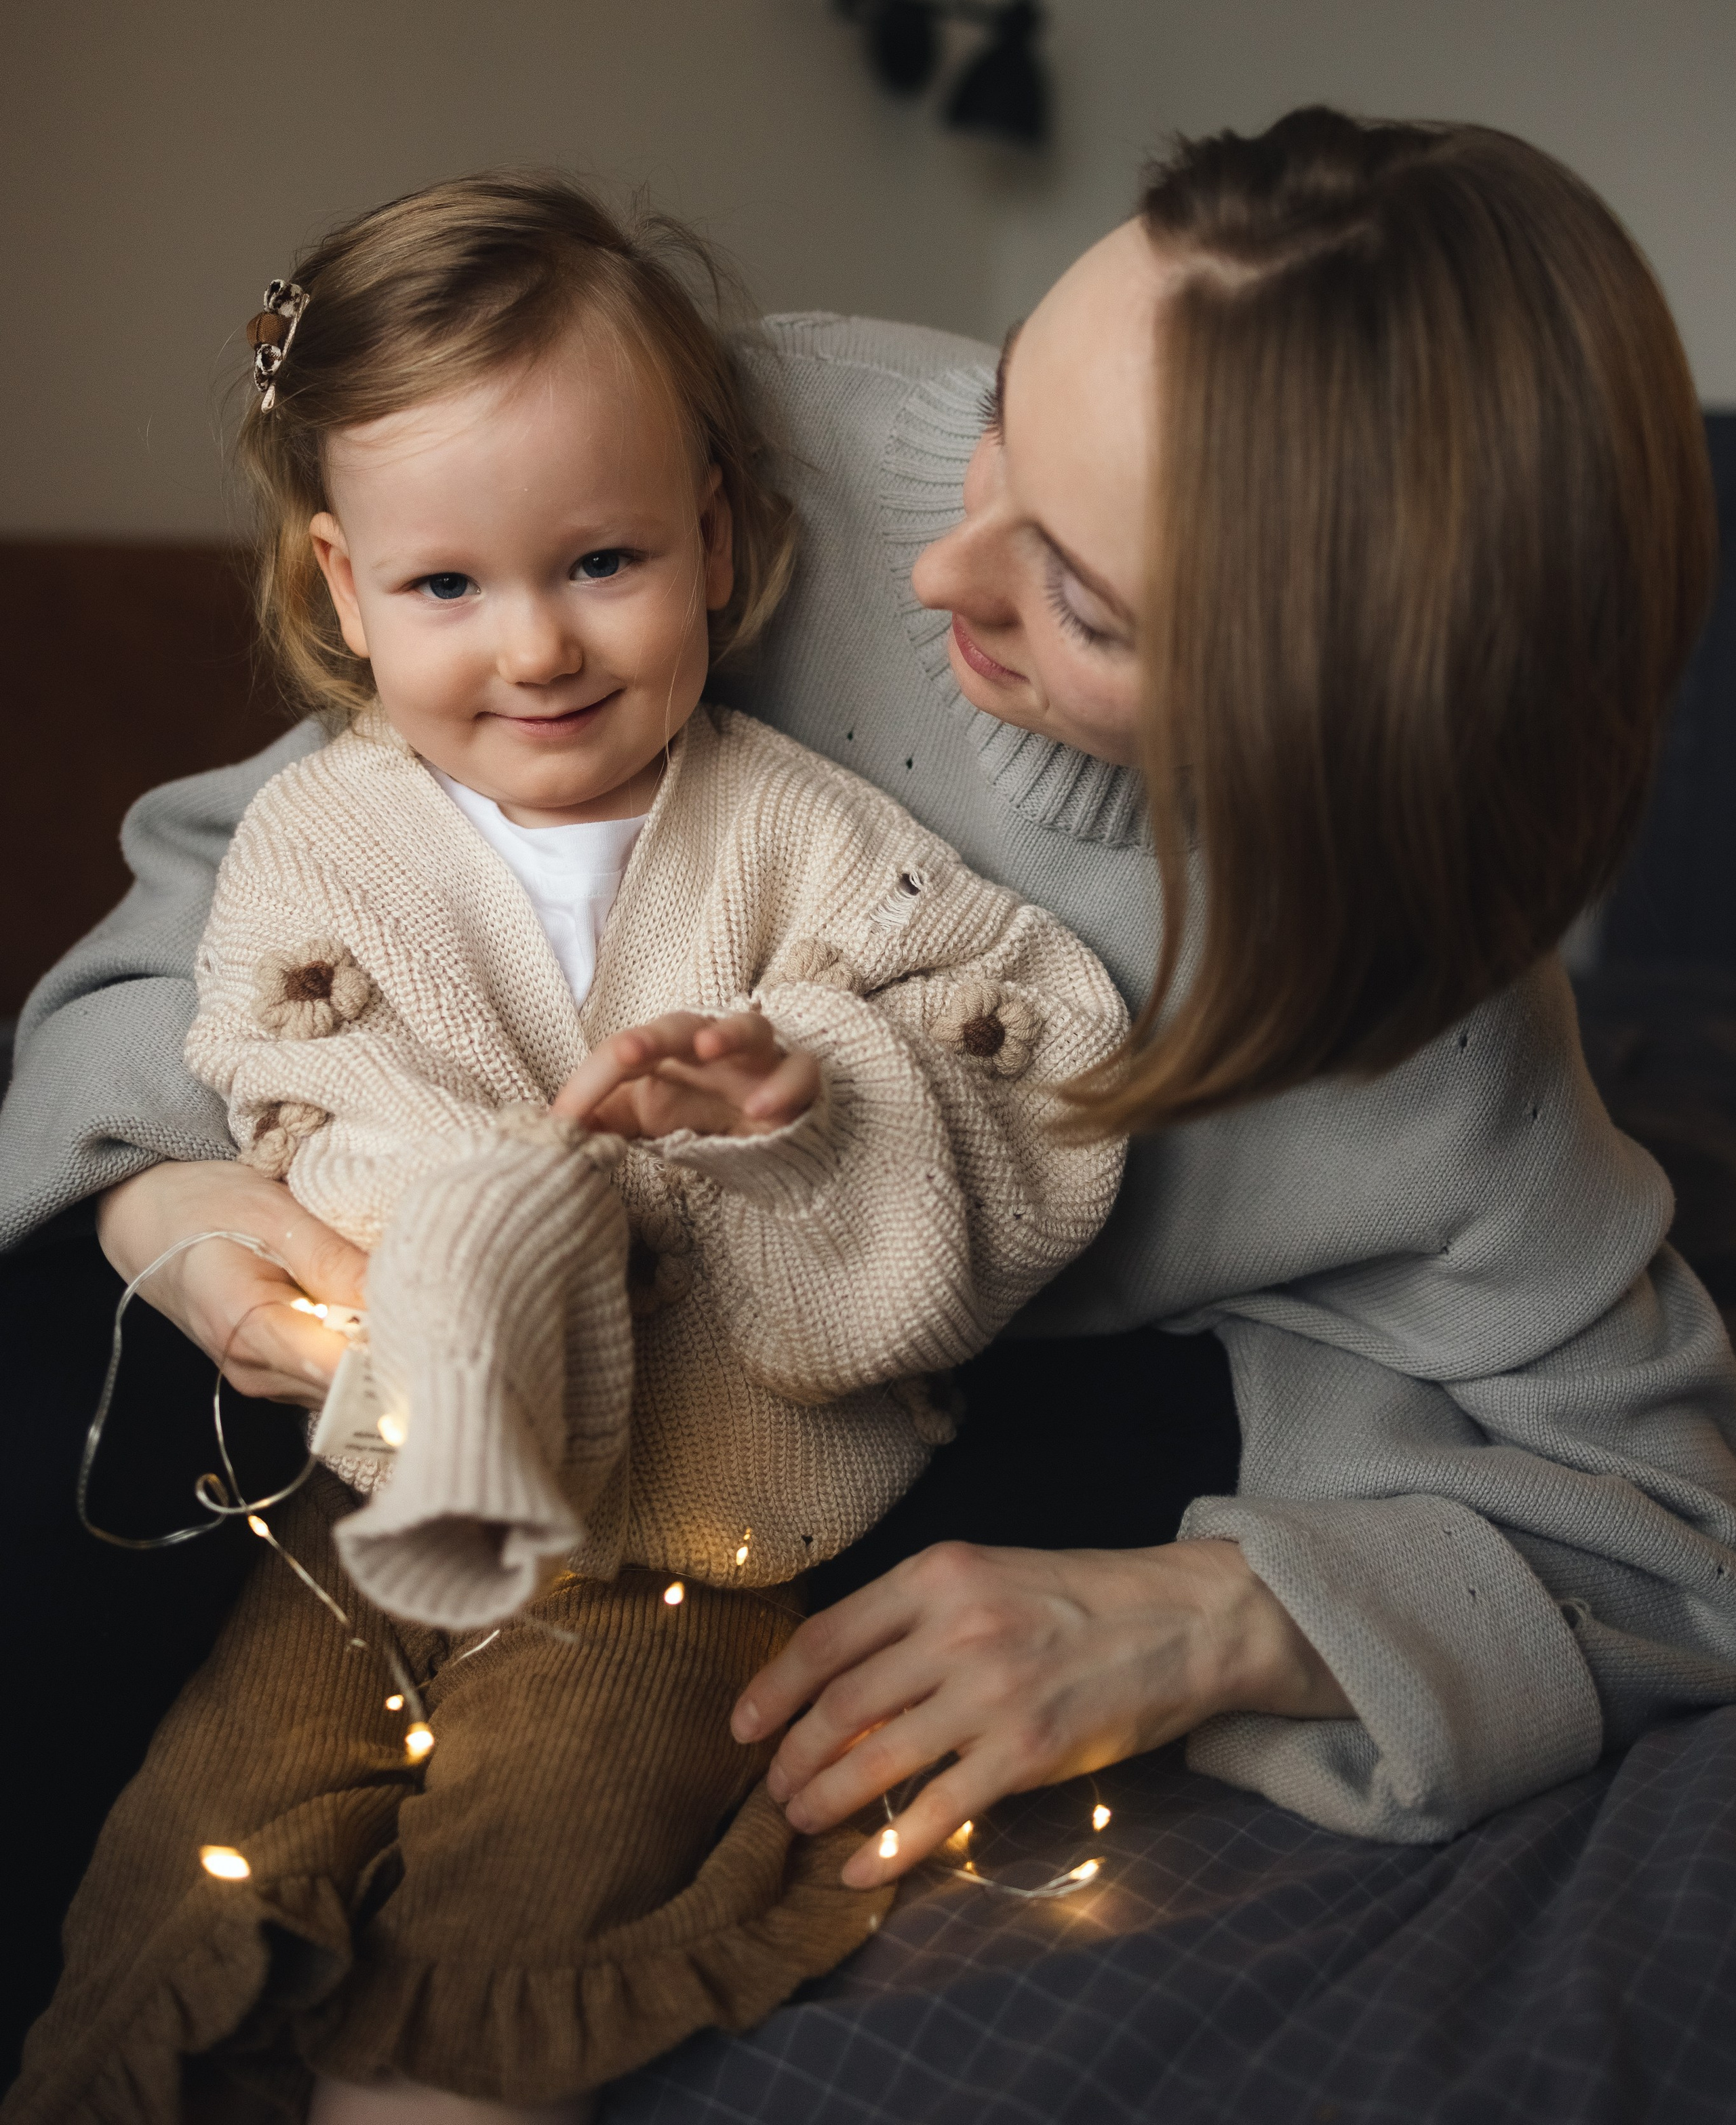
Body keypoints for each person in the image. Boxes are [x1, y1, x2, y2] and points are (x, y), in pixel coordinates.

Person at [4, 108, 1735, 2066]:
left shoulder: (1428, 1052)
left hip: (852, 1416)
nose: (927, 563)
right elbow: (253, 888)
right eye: (1007, 413)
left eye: (1076, 600)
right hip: (416, 1292)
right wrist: (161, 1199)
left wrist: (1207, 1616)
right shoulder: (761, 429)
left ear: (1320, 733)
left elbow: (1674, 1532)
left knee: (551, 1862)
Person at [5, 175, 1129, 2124]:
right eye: (450, 590)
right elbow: (274, 1076)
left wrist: (792, 1108)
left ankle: (436, 2082)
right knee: (211, 1825)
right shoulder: (321, 841)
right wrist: (464, 1204)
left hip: (687, 1525)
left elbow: (1000, 1046)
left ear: (713, 537)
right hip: (386, 1505)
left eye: (602, 560)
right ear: (343, 592)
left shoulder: (807, 836)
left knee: (557, 1852)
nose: (536, 648)